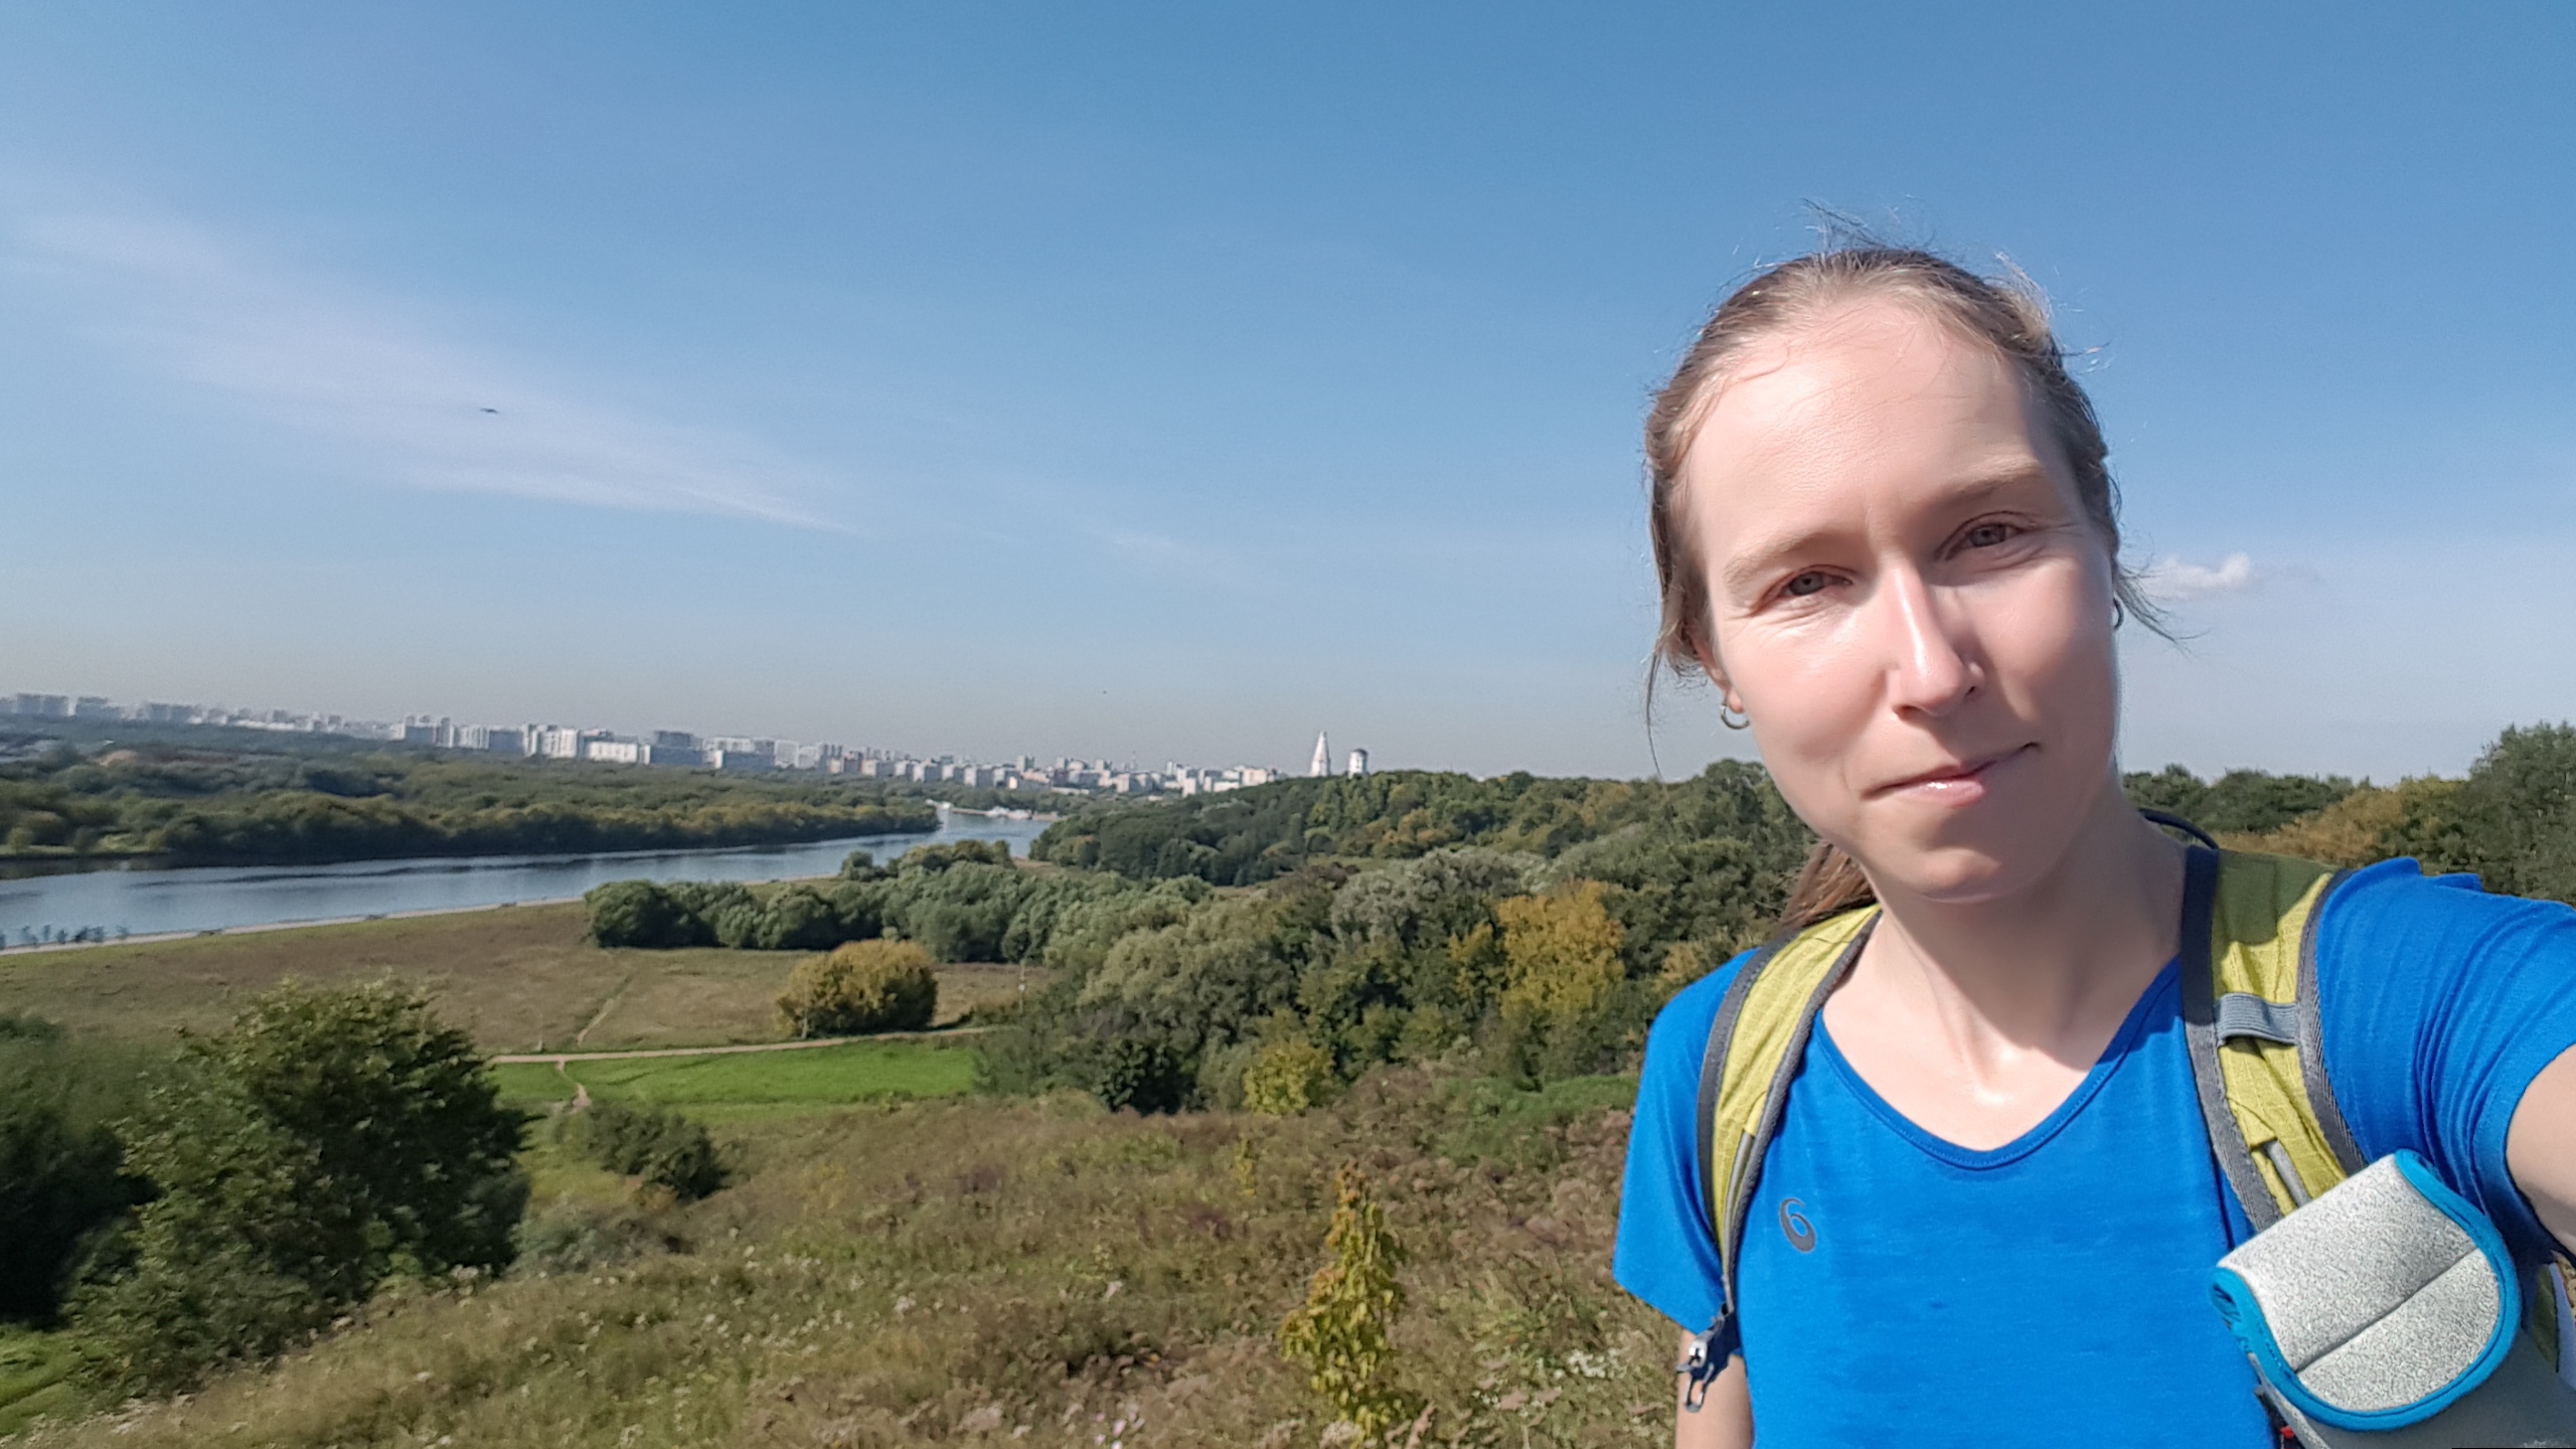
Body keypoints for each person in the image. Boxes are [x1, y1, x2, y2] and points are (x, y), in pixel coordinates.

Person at [1610, 244, 2576, 1447]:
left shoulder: (2408, 1005)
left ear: (2104, 540)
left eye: (1988, 533)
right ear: (1716, 660)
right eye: (1808, 582)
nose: (1930, 670)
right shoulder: (1720, 1069)